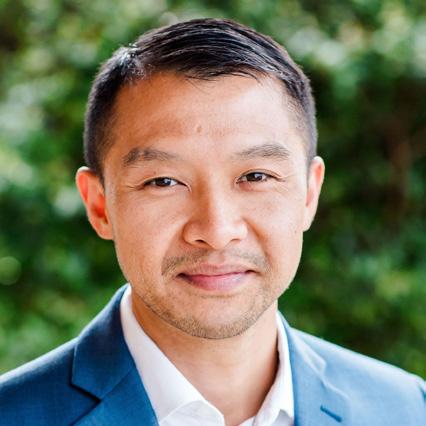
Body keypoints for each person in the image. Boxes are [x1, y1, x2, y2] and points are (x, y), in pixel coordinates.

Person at [0, 18, 424, 426]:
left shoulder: (407, 410)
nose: (217, 231)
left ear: (309, 194)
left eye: (255, 176)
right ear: (99, 206)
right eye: (163, 181)